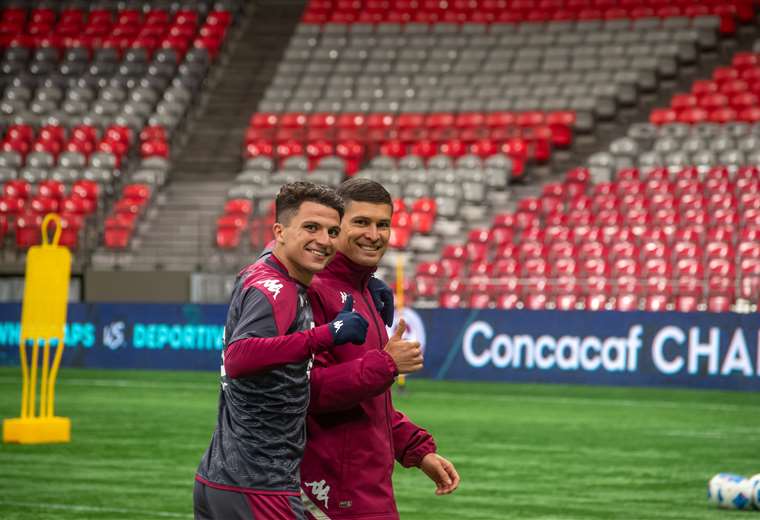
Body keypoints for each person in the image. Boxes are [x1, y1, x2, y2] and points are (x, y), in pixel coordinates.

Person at [194, 182, 370, 520]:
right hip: (258, 486)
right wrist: (327, 334)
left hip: (224, 479)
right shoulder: (277, 289)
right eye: (311, 227)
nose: (324, 240)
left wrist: (365, 283)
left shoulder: (264, 272)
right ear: (280, 231)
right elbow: (240, 357)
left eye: (333, 231)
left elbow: (299, 263)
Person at [300, 178, 460, 520]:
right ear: (334, 228)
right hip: (330, 491)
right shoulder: (311, 291)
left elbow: (368, 403)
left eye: (382, 224)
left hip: (366, 489)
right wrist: (386, 364)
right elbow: (303, 392)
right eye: (361, 222)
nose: (373, 234)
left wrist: (416, 450)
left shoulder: (365, 293)